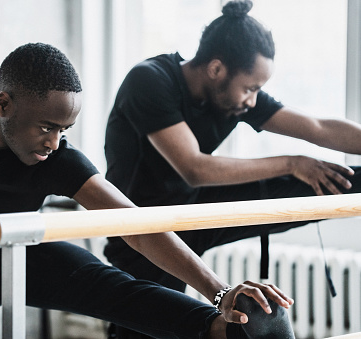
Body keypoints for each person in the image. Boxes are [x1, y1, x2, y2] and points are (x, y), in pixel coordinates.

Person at [0, 42, 295, 339]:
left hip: (13, 252)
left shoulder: (57, 160)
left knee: (108, 284)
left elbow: (136, 226)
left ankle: (219, 330)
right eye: (46, 127)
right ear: (3, 104)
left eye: (64, 130)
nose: (53, 142)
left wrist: (219, 291)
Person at [104, 0, 361, 337]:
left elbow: (317, 127)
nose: (253, 100)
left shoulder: (232, 96)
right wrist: (292, 162)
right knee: (147, 327)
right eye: (250, 88)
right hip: (143, 231)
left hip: (196, 210)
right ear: (216, 69)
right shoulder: (150, 80)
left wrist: (300, 167)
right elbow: (193, 167)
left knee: (342, 180)